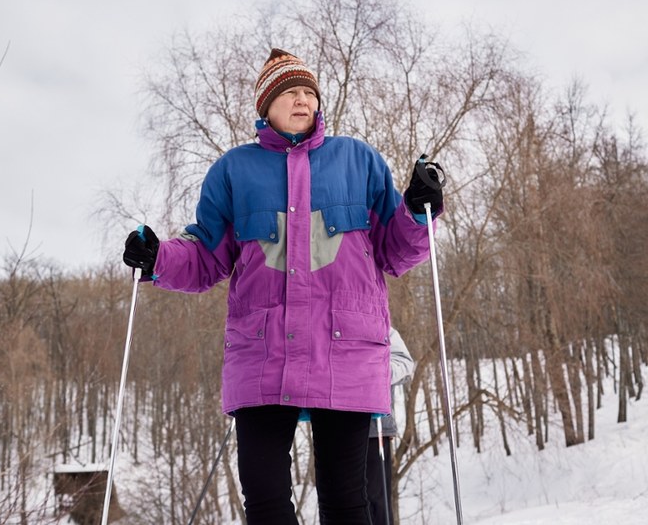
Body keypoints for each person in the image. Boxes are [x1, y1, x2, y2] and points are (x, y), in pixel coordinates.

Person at [122, 48, 443, 525]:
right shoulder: (234, 171)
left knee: (347, 500)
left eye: (309, 92)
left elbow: (397, 250)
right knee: (266, 501)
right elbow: (207, 253)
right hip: (262, 355)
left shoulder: (358, 161)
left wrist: (419, 211)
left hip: (347, 352)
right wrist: (157, 260)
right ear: (265, 106)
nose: (302, 100)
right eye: (290, 92)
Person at [366, 328, 415, 525]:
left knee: (376, 502)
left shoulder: (381, 327)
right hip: (332, 426)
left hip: (374, 427)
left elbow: (404, 363)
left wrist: (373, 371)